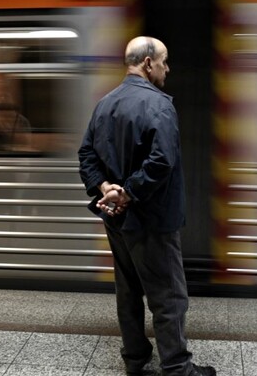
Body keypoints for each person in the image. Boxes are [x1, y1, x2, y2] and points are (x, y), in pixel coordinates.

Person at [78, 36, 216, 376]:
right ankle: (177, 367)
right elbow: (161, 162)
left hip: (116, 220)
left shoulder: (104, 104)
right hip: (152, 220)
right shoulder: (160, 105)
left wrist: (104, 187)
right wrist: (125, 192)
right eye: (165, 61)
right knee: (169, 296)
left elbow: (86, 155)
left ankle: (136, 360)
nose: (167, 69)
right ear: (148, 62)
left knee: (128, 291)